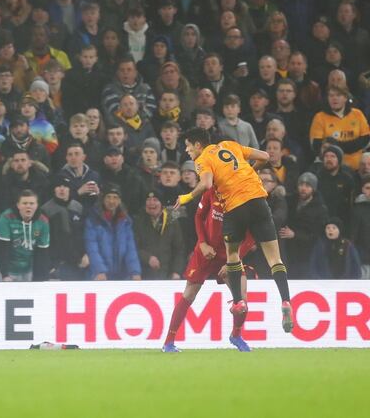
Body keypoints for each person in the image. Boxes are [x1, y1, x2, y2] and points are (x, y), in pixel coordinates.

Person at [175, 127, 293, 333]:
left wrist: (187, 197)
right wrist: (248, 170)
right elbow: (266, 156)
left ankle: (238, 301)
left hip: (235, 206)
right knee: (275, 259)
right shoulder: (231, 146)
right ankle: (286, 301)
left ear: (197, 145)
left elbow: (207, 183)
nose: (187, 151)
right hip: (258, 201)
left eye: (187, 146)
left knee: (232, 256)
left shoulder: (202, 159)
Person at [163, 187, 256, 353]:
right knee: (189, 294)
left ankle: (236, 335)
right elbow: (199, 217)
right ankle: (169, 342)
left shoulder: (246, 197)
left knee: (241, 299)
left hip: (230, 255)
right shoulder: (212, 191)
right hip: (205, 251)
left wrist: (231, 261)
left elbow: (250, 236)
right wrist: (203, 243)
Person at [85, 186, 141, 281]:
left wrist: (135, 271)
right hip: (101, 276)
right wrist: (99, 270)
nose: (111, 201)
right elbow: (92, 248)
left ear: (119, 200)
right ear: (103, 199)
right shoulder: (93, 220)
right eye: (108, 197)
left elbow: (130, 249)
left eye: (115, 197)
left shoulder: (125, 221)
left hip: (122, 275)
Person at [0, 189, 50, 282]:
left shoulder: (43, 221)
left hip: (27, 269)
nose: (28, 206)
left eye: (32, 203)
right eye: (24, 203)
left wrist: (42, 278)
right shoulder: (6, 218)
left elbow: (42, 252)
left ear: (36, 205)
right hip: (4, 268)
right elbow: (2, 248)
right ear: (18, 205)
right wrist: (4, 275)